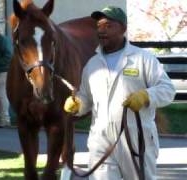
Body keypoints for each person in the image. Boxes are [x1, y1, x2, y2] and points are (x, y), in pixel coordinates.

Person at [63, 6, 175, 180]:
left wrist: (146, 96)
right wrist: (78, 104)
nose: (102, 31)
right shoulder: (92, 64)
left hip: (137, 140)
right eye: (99, 26)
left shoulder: (143, 59)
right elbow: (86, 97)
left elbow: (168, 89)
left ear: (123, 28)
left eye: (108, 25)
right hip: (101, 142)